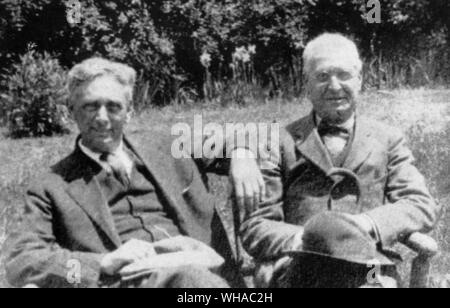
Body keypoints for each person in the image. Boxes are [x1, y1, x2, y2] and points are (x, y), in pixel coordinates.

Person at [5, 57, 263, 288]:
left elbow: (233, 136)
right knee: (191, 280)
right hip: (128, 281)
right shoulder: (52, 185)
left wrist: (240, 153)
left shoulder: (169, 147)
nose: (102, 118)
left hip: (202, 272)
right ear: (71, 111)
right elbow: (22, 259)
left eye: (114, 107)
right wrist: (102, 263)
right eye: (90, 106)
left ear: (129, 112)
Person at [241, 33, 440, 288]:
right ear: (306, 85)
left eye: (343, 75)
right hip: (299, 267)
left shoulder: (387, 139)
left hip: (370, 267)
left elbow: (420, 203)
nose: (334, 86)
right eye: (322, 76)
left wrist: (365, 225)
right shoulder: (279, 142)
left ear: (359, 80)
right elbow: (255, 225)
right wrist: (312, 239)